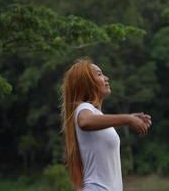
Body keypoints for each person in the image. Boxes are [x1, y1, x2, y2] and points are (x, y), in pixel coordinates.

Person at [61, 58, 151, 191]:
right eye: (99, 74)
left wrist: (130, 118)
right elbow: (85, 122)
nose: (106, 78)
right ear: (87, 83)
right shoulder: (84, 108)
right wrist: (127, 119)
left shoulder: (97, 114)